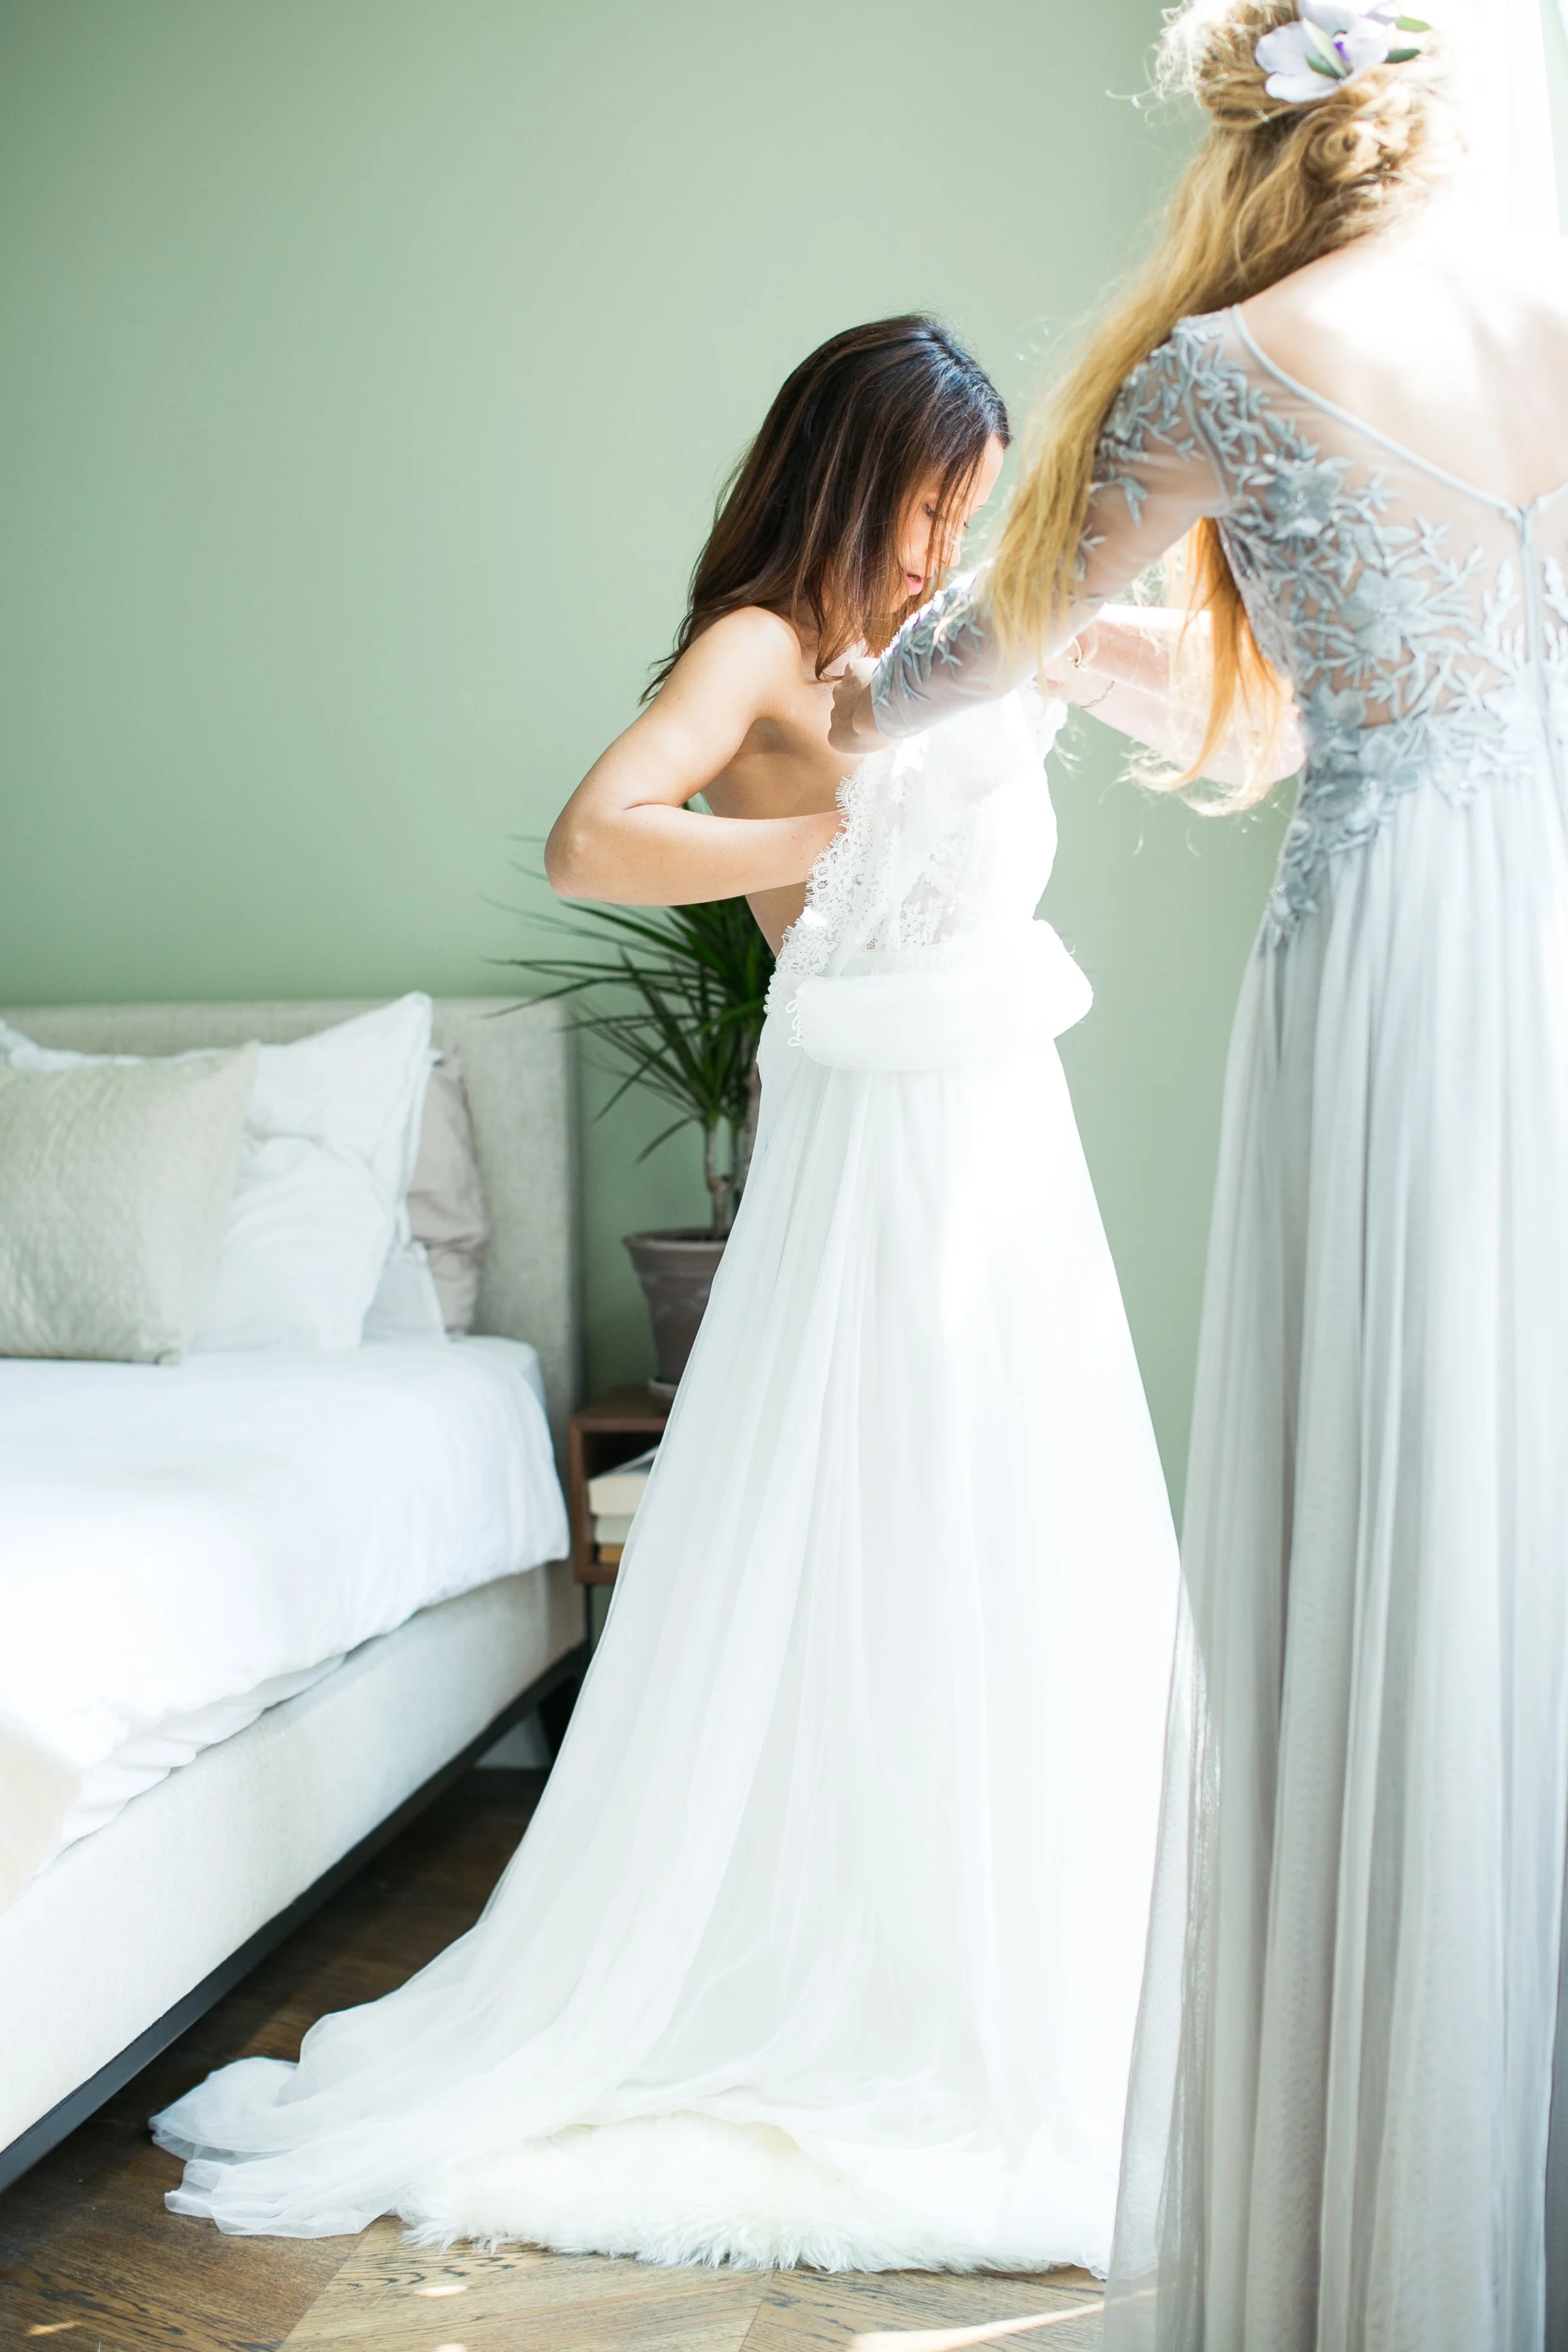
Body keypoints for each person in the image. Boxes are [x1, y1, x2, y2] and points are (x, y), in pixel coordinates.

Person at [151, 316, 1184, 2272]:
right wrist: (832, 831)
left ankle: (1015, 1952)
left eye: (969, 509)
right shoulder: (764, 647)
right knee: (862, 1528)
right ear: (850, 474)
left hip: (1003, 1142)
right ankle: (818, 1965)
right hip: (869, 1142)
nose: (942, 544)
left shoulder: (958, 629)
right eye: (928, 503)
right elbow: (590, 836)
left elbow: (1175, 688)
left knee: (1011, 1532)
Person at [830, 6, 1568, 2346]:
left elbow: (996, 642)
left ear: (1247, 145)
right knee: (1517, 1493)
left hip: (1398, 946)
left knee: (1391, 1479)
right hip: (1546, 919)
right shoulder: (1551, 316)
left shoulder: (1226, 366)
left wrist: (840, 699)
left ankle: (1383, 2232)